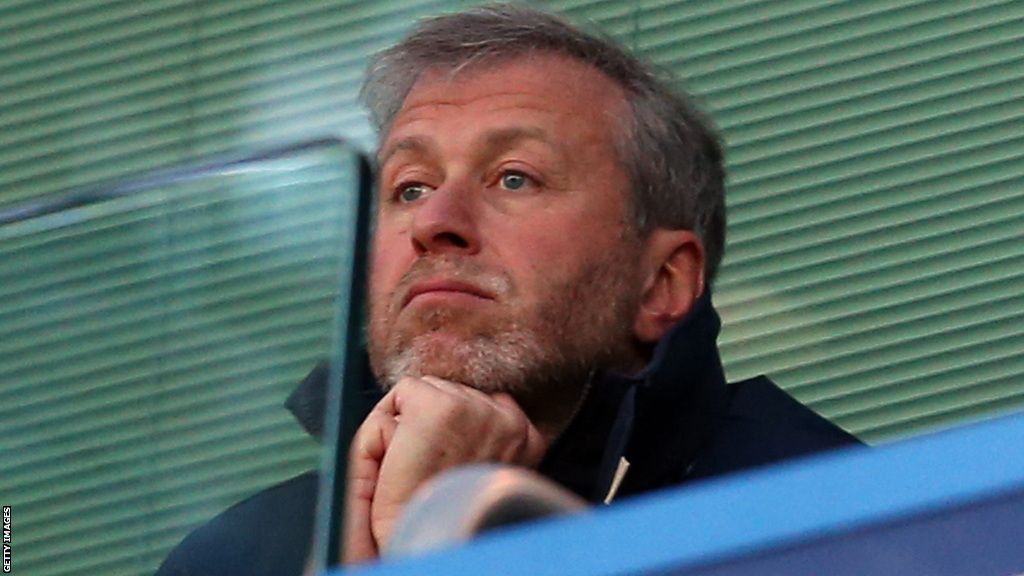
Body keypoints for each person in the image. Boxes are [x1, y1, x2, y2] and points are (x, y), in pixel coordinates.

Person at [156, 4, 861, 575]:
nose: (435, 224)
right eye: (409, 187)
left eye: (514, 178)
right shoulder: (234, 557)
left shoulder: (829, 520)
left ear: (661, 284)